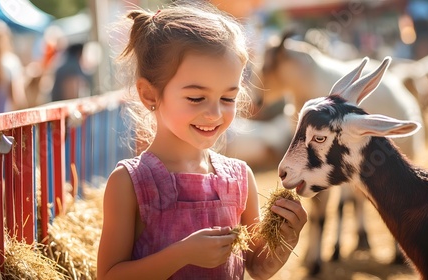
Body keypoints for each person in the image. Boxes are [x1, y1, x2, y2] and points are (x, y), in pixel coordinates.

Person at [97, 2, 307, 280]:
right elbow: (109, 275)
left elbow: (257, 267)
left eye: (228, 98)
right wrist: (182, 254)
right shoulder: (130, 182)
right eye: (196, 98)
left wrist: (285, 240)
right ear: (149, 95)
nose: (215, 113)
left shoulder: (240, 178)